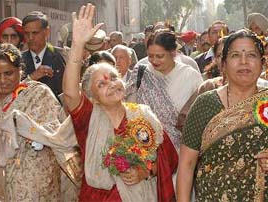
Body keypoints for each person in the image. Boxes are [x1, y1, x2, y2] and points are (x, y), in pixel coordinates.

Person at [63, 3, 178, 201]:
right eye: (101, 84)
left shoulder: (142, 116)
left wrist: (145, 172)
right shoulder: (88, 119)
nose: (111, 84)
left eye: (114, 77)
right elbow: (71, 94)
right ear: (92, 97)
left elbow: (169, 159)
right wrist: (78, 45)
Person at [177, 29, 268, 201]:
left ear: (262, 63)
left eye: (251, 55)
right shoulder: (206, 104)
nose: (244, 62)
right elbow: (187, 165)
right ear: (223, 65)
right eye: (235, 55)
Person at [0, 43, 64, 201]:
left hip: (34, 182)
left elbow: (56, 132)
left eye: (9, 73)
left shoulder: (38, 93)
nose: (2, 80)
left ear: (20, 70)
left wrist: (32, 131)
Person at [126, 29, 203, 149]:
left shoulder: (190, 76)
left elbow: (199, 119)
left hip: (179, 152)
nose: (154, 61)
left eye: (160, 56)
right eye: (150, 56)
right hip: (144, 150)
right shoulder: (141, 73)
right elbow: (129, 110)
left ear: (173, 53)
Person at [22, 11, 66, 98]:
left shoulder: (60, 57)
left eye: (35, 33)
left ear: (47, 32)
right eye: (27, 33)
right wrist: (31, 78)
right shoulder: (19, 60)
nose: (30, 38)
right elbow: (13, 94)